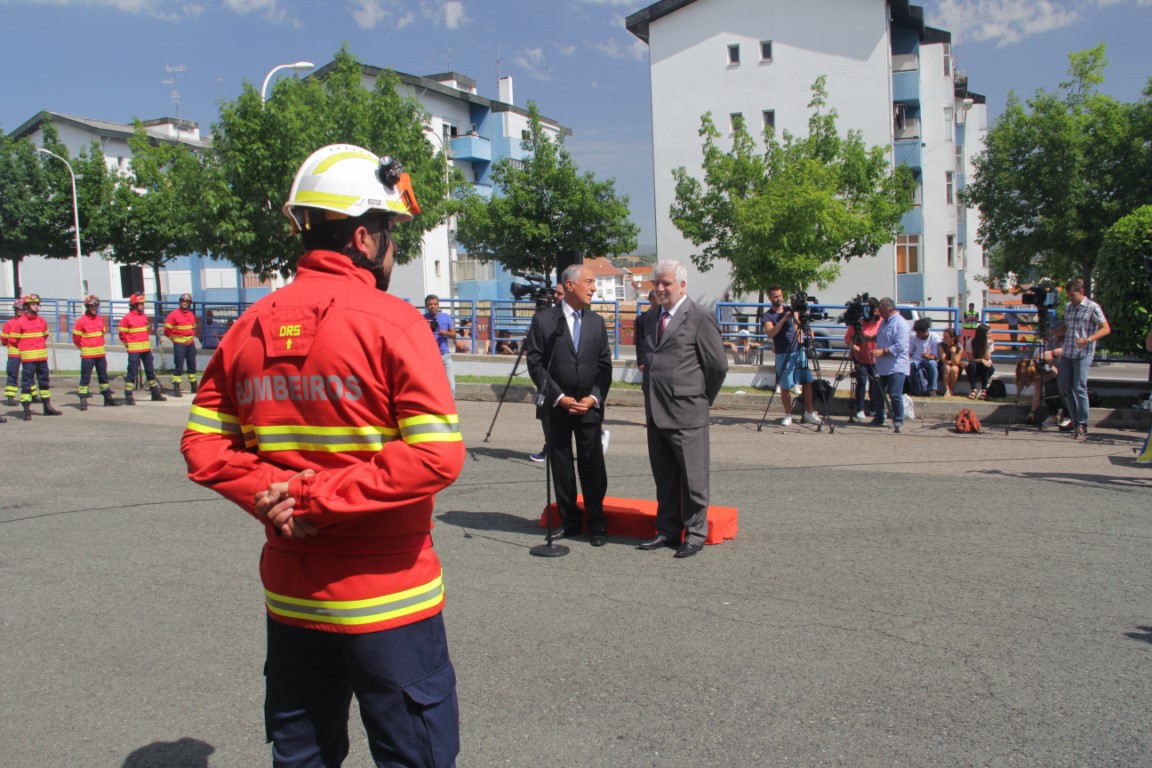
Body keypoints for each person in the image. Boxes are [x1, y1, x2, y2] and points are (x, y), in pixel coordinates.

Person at [180, 144, 465, 767]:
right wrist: (314, 496)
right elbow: (436, 457)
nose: (395, 249)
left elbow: (202, 446)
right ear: (363, 237)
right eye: (391, 233)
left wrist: (276, 496)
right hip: (389, 600)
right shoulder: (395, 325)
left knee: (303, 755)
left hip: (292, 598)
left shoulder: (247, 327)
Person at [635, 260, 728, 559]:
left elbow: (717, 366)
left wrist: (701, 399)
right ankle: (667, 529)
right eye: (656, 284)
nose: (660, 289)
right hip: (656, 412)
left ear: (682, 285)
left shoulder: (700, 317)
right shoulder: (649, 319)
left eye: (666, 284)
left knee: (693, 479)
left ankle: (696, 533)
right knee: (665, 478)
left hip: (688, 412)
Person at [525, 264, 612, 547]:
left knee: (593, 465)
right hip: (556, 407)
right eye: (589, 282)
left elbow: (604, 367)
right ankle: (569, 521)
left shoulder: (597, 322)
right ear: (570, 285)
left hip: (589, 407)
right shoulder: (544, 321)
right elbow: (536, 364)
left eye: (594, 283)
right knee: (561, 464)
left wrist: (594, 397)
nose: (594, 288)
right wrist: (559, 397)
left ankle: (597, 523)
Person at [1052, 278, 1111, 439]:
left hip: (1083, 353)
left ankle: (1082, 423)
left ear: (1081, 292)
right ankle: (1074, 417)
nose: (1071, 299)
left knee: (1079, 387)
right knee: (1064, 387)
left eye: (1073, 296)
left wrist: (1089, 339)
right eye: (1069, 296)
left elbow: (1105, 328)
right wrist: (1054, 332)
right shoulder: (1068, 308)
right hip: (1068, 352)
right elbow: (1067, 326)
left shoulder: (1092, 307)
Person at [762, 286, 819, 426]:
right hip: (783, 352)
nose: (779, 298)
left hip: (797, 350)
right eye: (775, 296)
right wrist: (782, 320)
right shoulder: (768, 316)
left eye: (780, 296)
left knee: (807, 381)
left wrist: (806, 329)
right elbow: (770, 333)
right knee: (785, 386)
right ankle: (788, 415)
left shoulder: (789, 309)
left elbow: (798, 324)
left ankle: (810, 412)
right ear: (769, 298)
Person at [529, 281, 568, 463]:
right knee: (546, 416)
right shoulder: (544, 317)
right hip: (547, 376)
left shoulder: (573, 317)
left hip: (565, 376)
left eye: (559, 294)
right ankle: (549, 447)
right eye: (555, 294)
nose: (555, 297)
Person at [11, 294, 61, 420]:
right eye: (33, 304)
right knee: (27, 384)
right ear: (27, 306)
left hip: (42, 358)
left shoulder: (41, 321)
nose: (36, 306)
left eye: (37, 304)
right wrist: (25, 348)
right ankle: (26, 410)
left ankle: (47, 407)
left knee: (44, 384)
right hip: (29, 360)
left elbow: (44, 336)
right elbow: (13, 340)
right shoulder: (20, 322)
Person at [118, 293, 168, 405]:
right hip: (134, 350)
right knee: (132, 372)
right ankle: (128, 395)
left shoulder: (144, 317)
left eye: (143, 303)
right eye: (140, 303)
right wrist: (129, 345)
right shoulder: (126, 319)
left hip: (146, 349)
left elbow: (146, 331)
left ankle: (155, 393)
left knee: (150, 372)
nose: (142, 305)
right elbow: (122, 335)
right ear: (134, 305)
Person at [72, 295, 120, 409]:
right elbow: (76, 339)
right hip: (88, 356)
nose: (94, 308)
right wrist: (84, 348)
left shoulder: (99, 319)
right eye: (92, 306)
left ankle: (107, 399)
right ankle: (83, 401)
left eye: (96, 306)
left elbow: (102, 334)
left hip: (100, 355)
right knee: (85, 378)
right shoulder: (81, 321)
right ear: (87, 307)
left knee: (103, 378)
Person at [872, 297, 910, 432]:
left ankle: (898, 420)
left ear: (889, 309)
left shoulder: (901, 324)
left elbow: (900, 346)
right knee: (876, 392)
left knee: (895, 394)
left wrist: (883, 351)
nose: (879, 314)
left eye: (881, 311)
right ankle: (879, 417)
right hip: (882, 366)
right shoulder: (884, 322)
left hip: (896, 366)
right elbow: (881, 337)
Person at [843, 296, 882, 421]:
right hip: (860, 357)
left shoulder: (880, 321)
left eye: (877, 310)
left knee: (875, 383)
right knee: (861, 382)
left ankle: (874, 407)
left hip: (875, 358)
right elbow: (847, 339)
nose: (876, 313)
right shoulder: (859, 322)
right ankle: (859, 408)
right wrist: (854, 347)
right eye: (874, 311)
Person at [164, 293, 199, 397]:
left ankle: (193, 386)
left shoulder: (191, 314)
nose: (184, 303)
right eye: (183, 301)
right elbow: (167, 330)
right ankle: (176, 387)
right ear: (180, 302)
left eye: (186, 301)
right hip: (179, 344)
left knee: (192, 365)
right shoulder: (173, 315)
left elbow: (193, 328)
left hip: (190, 343)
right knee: (179, 366)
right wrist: (173, 339)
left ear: (189, 303)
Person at [424, 294, 457, 398]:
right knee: (430, 384)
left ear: (438, 305)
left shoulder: (445, 317)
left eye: (435, 304)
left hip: (444, 355)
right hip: (429, 356)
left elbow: (454, 334)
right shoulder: (422, 319)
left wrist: (446, 333)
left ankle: (451, 407)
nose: (432, 306)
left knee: (450, 383)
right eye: (430, 304)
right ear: (426, 306)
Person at [908, 318, 941, 396]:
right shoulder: (913, 337)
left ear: (926, 330)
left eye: (919, 333)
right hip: (916, 360)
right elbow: (910, 352)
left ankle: (933, 389)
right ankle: (914, 389)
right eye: (917, 333)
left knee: (932, 364)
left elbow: (935, 357)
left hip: (929, 360)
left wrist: (928, 357)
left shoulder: (935, 338)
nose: (917, 335)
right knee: (912, 364)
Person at [965, 323, 996, 400]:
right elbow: (970, 358)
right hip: (975, 364)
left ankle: (984, 389)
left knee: (985, 366)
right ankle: (973, 389)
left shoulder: (989, 343)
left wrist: (987, 345)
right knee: (971, 365)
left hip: (986, 367)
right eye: (988, 333)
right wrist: (981, 360)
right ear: (982, 334)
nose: (990, 335)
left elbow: (987, 357)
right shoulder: (971, 341)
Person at [3, 300, 23, 406]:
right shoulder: (9, 324)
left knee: (29, 374)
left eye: (21, 309)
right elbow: (4, 338)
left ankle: (33, 395)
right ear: (15, 310)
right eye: (18, 309)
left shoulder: (28, 323)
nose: (20, 311)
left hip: (27, 352)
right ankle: (10, 397)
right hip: (14, 352)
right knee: (12, 374)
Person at [938, 327, 964, 397]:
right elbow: (944, 359)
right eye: (943, 336)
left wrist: (953, 353)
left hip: (955, 365)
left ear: (952, 338)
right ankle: (947, 389)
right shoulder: (941, 345)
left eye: (946, 337)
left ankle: (951, 389)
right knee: (947, 368)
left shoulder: (959, 347)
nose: (944, 338)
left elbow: (955, 362)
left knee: (954, 369)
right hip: (944, 365)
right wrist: (949, 362)